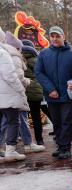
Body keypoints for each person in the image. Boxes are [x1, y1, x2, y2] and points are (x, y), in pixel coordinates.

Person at [35, 26, 72, 159]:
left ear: (64, 37)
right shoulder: (44, 54)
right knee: (56, 122)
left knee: (66, 121)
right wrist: (50, 89)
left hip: (68, 95)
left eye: (58, 36)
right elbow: (39, 72)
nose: (55, 39)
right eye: (53, 36)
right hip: (51, 95)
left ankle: (65, 148)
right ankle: (61, 146)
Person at [4, 31, 44, 153]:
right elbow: (18, 77)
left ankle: (15, 143)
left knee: (9, 120)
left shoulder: (8, 56)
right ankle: (31, 142)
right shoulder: (16, 57)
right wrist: (24, 85)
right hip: (24, 92)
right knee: (25, 118)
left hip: (12, 94)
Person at [0, 32, 29, 161]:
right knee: (13, 120)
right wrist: (20, 89)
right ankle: (11, 150)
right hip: (8, 94)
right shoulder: (3, 53)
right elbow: (10, 75)